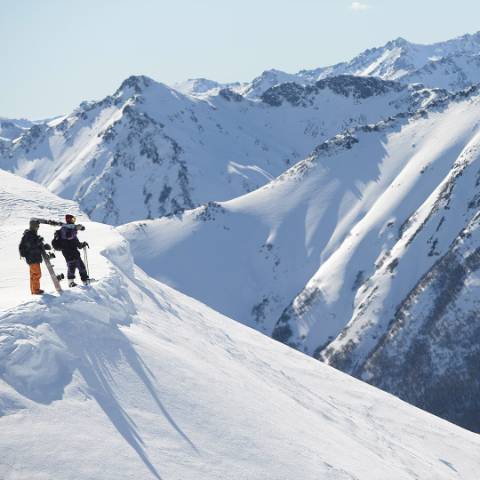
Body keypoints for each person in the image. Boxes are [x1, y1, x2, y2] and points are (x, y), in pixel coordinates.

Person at [19, 219, 52, 295]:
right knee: (36, 274)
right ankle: (36, 291)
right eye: (37, 226)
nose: (38, 227)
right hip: (32, 257)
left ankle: (34, 290)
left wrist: (44, 246)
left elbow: (36, 244)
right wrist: (38, 242)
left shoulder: (32, 235)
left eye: (38, 226)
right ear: (33, 226)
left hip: (34, 257)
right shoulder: (29, 235)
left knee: (33, 275)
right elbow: (31, 245)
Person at [59, 214, 90, 287]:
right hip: (67, 251)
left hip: (74, 251)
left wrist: (81, 244)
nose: (74, 221)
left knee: (81, 266)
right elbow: (69, 237)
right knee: (71, 266)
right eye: (73, 219)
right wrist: (75, 229)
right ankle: (70, 282)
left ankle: (85, 280)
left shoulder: (72, 229)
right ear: (69, 220)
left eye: (74, 219)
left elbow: (75, 240)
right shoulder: (64, 229)